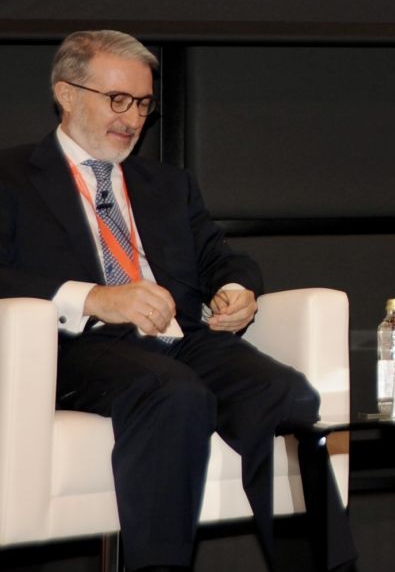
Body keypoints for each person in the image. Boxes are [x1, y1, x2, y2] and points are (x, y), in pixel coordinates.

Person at [0, 30, 354, 572]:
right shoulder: (12, 177)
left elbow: (219, 257)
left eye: (143, 104)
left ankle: (323, 564)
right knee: (174, 394)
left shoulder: (167, 184)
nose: (132, 118)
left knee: (284, 391)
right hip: (72, 347)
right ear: (66, 94)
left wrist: (236, 289)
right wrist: (94, 298)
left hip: (179, 338)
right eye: (118, 99)